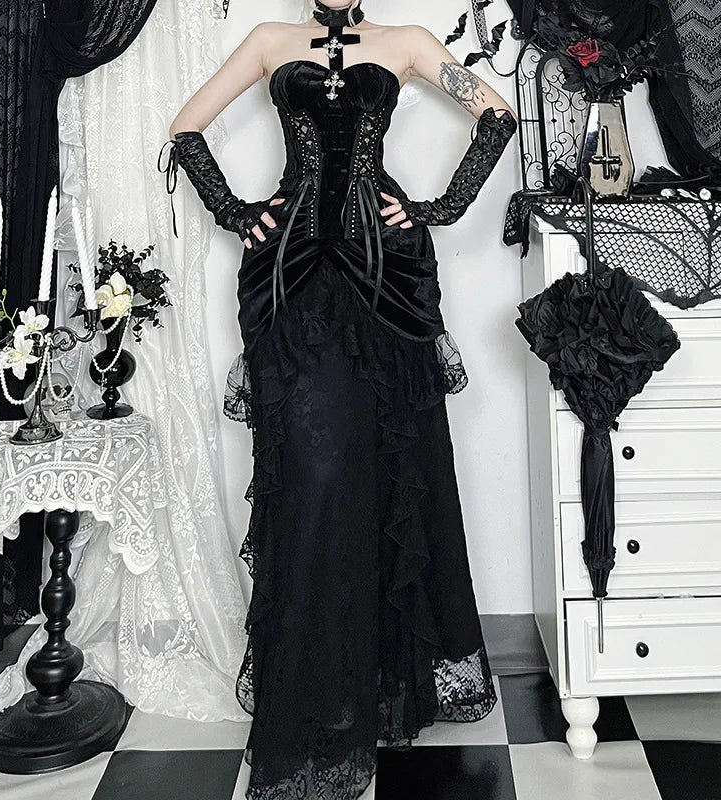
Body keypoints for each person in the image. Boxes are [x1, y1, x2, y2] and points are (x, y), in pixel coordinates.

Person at [163, 2, 517, 798]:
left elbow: (497, 118)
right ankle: (316, 688)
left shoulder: (407, 43)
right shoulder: (269, 41)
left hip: (383, 278)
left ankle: (378, 682)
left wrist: (434, 209)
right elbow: (185, 130)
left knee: (385, 472)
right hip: (292, 279)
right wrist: (235, 212)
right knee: (311, 481)